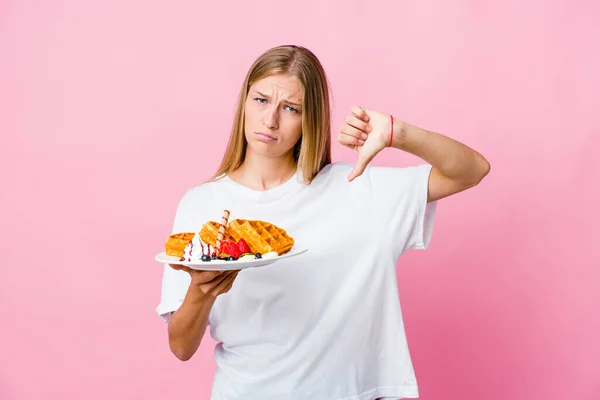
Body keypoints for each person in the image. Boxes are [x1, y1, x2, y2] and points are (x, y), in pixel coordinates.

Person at [155, 44, 490, 400]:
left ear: (310, 118)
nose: (270, 120)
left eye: (290, 108)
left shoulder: (358, 188)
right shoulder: (202, 204)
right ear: (244, 102)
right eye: (261, 100)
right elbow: (181, 346)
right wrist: (202, 291)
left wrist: (397, 133)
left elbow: (471, 170)